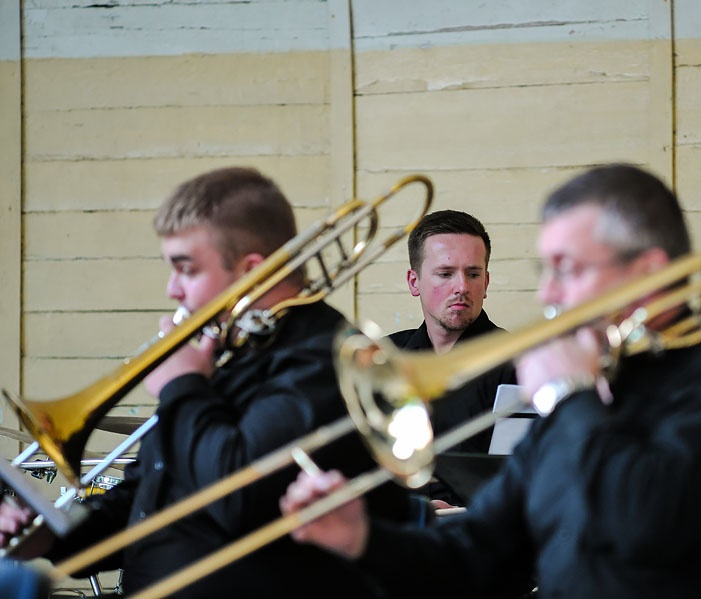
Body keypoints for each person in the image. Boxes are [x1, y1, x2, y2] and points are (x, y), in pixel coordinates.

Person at [279, 163, 701, 598]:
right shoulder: (582, 398)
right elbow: (474, 555)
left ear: (648, 273)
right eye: (545, 270)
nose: (548, 293)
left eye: (566, 268)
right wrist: (362, 539)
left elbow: (644, 526)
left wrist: (568, 396)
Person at [0, 166, 413, 597]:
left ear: (250, 271)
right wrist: (53, 536)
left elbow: (240, 500)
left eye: (186, 269)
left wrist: (182, 387)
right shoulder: (222, 351)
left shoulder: (326, 359)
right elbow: (148, 497)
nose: (172, 289)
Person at [389, 209, 516, 455]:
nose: (462, 287)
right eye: (446, 274)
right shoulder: (387, 357)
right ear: (414, 282)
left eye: (473, 274)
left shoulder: (517, 363)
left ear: (486, 283)